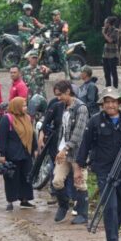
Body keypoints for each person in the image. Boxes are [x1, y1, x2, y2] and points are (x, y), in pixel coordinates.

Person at [77, 87, 121, 241]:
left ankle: (112, 230)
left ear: (119, 103)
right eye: (107, 102)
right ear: (102, 104)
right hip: (104, 170)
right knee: (110, 207)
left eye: (113, 101)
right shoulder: (94, 121)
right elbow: (85, 145)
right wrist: (78, 168)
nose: (110, 105)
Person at [50, 79, 88, 225]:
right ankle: (63, 205)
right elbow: (62, 130)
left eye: (60, 95)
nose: (58, 98)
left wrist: (65, 149)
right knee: (57, 181)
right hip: (63, 151)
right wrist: (60, 150)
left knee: (80, 182)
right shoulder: (62, 107)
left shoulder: (81, 108)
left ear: (68, 92)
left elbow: (78, 134)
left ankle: (82, 213)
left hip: (77, 152)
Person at [0, 96, 37, 211]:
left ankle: (25, 200)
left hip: (26, 153)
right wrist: (2, 154)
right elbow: (2, 137)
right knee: (11, 178)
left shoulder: (27, 118)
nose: (25, 107)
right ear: (17, 107)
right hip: (12, 154)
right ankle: (10, 201)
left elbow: (32, 135)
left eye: (25, 105)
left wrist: (35, 149)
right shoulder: (7, 119)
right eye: (23, 105)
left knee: (26, 177)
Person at [24, 51, 50, 116]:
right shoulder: (24, 70)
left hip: (40, 97)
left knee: (42, 117)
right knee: (30, 116)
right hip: (29, 97)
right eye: (33, 58)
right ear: (29, 58)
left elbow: (48, 74)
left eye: (36, 58)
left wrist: (47, 70)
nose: (34, 60)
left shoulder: (42, 69)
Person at [102, 16, 121, 89]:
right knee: (106, 72)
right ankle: (108, 86)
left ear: (109, 23)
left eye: (105, 22)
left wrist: (104, 34)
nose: (104, 24)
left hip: (113, 54)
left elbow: (110, 40)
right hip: (105, 54)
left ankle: (115, 87)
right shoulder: (106, 30)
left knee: (113, 71)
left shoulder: (115, 31)